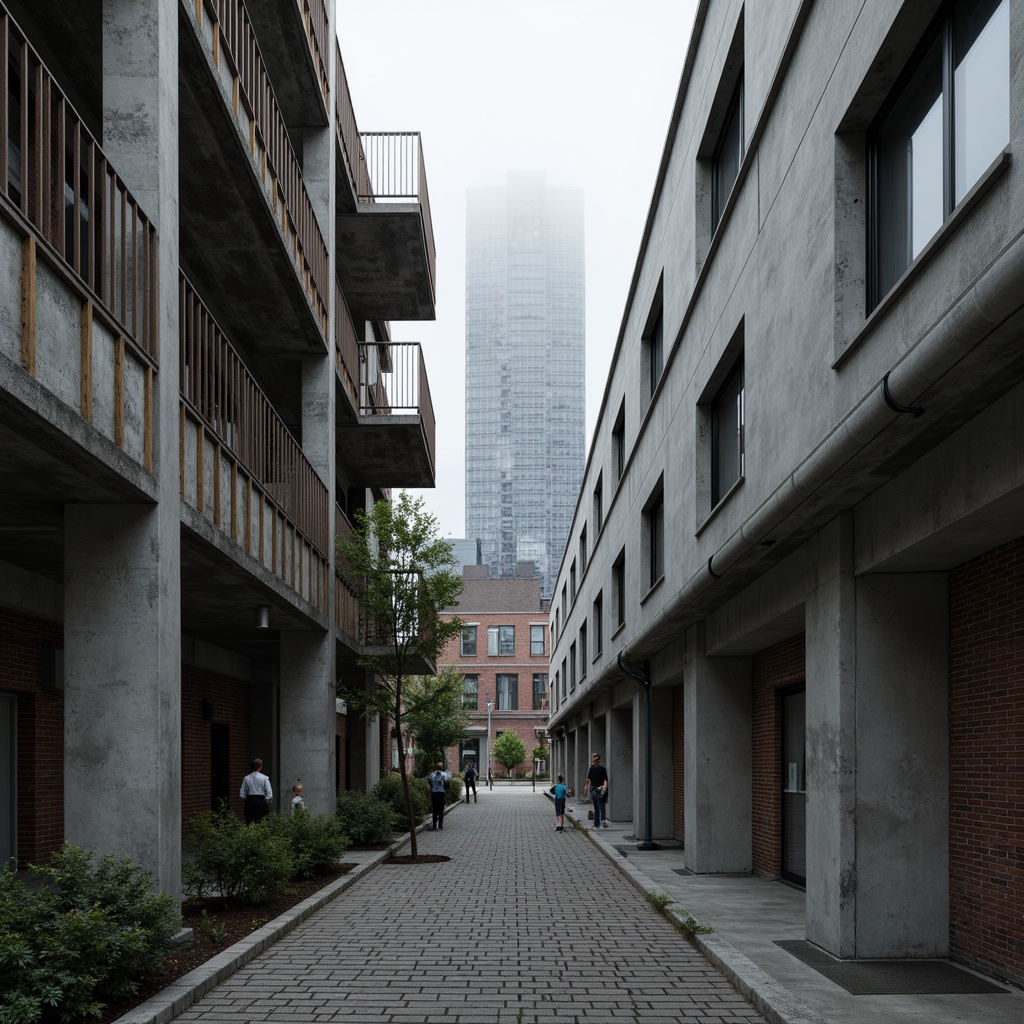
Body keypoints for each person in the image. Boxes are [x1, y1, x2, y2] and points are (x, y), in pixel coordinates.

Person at [240, 758, 273, 823]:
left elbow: (242, 794)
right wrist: (265, 800)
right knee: (261, 821)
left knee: (249, 822)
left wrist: (247, 799)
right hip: (261, 801)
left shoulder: (246, 778)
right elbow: (269, 794)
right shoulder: (265, 778)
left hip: (249, 801)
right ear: (261, 766)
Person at [583, 752, 609, 829]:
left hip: (597, 789)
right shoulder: (597, 769)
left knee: (598, 806)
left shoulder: (596, 769)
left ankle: (599, 822)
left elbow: (590, 780)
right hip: (597, 789)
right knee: (600, 806)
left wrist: (587, 787)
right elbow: (590, 779)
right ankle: (600, 822)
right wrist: (604, 788)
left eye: (594, 756)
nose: (593, 758)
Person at [425, 761, 451, 830]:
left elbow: (428, 779)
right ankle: (440, 825)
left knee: (434, 809)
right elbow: (448, 778)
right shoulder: (444, 774)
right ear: (442, 767)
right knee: (441, 809)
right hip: (441, 793)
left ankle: (434, 825)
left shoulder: (432, 774)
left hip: (434, 793)